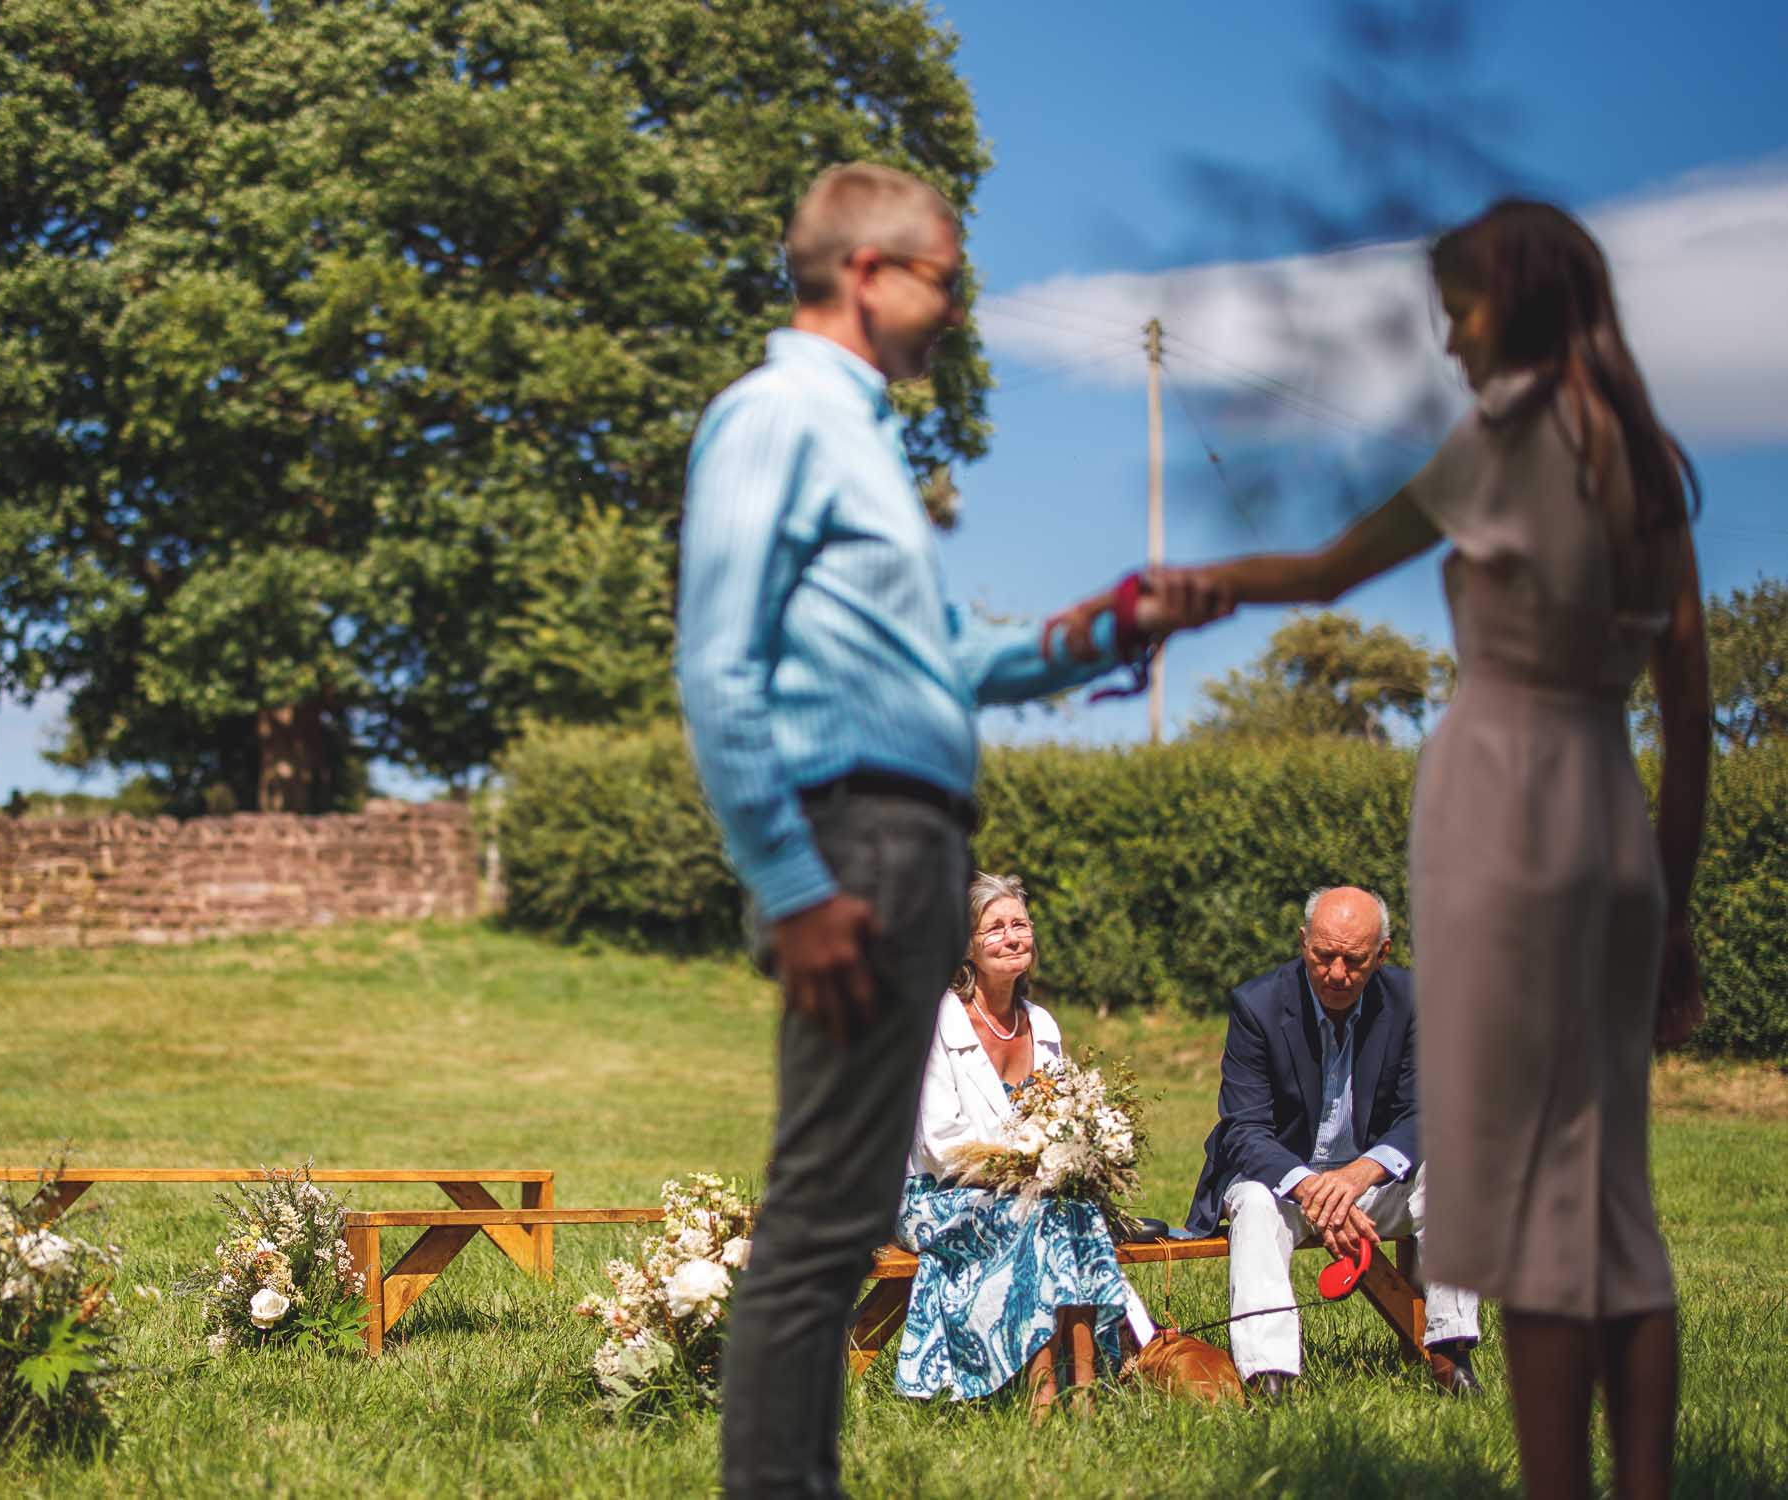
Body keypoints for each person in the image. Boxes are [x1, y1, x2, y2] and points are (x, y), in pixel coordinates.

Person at [675, 160, 1223, 1498]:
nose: (957, 308)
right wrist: (793, 888)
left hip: (910, 844)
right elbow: (715, 663)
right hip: (849, 843)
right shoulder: (775, 419)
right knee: (819, 1219)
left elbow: (950, 657)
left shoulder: (863, 444)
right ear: (866, 273)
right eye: (945, 277)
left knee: (843, 1209)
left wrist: (1105, 627)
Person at [1165, 199, 1709, 1500]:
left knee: (1511, 1201)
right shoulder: (1646, 463)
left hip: (1502, 822)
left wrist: (1189, 590)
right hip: (1611, 823)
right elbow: (1687, 724)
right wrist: (1673, 915)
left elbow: (1333, 567)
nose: (1450, 342)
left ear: (1509, 304)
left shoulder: (1504, 438)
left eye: (1458, 309)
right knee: (1612, 1209)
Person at [1182, 886, 1480, 1399]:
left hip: (1373, 1184)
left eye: (1354, 960)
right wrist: (1317, 1191)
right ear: (1303, 943)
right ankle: (1268, 1374)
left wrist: (1357, 1176)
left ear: (1382, 954)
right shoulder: (1257, 1005)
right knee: (1253, 1204)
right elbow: (1244, 1128)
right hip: (1283, 1184)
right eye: (1324, 956)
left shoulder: (1415, 1003)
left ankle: (1452, 1354)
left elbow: (1424, 1111)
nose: (1337, 973)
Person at [894, 872, 1158, 1401]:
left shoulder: (1043, 1024)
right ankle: (1037, 1388)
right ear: (967, 947)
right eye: (995, 928)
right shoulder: (936, 1022)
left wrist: (1072, 1158)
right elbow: (939, 1146)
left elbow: (1059, 1118)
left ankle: (1085, 1386)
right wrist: (1029, 1171)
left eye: (1021, 925)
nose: (1013, 937)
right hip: (935, 1195)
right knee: (1040, 1214)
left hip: (1029, 1192)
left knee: (1074, 1211)